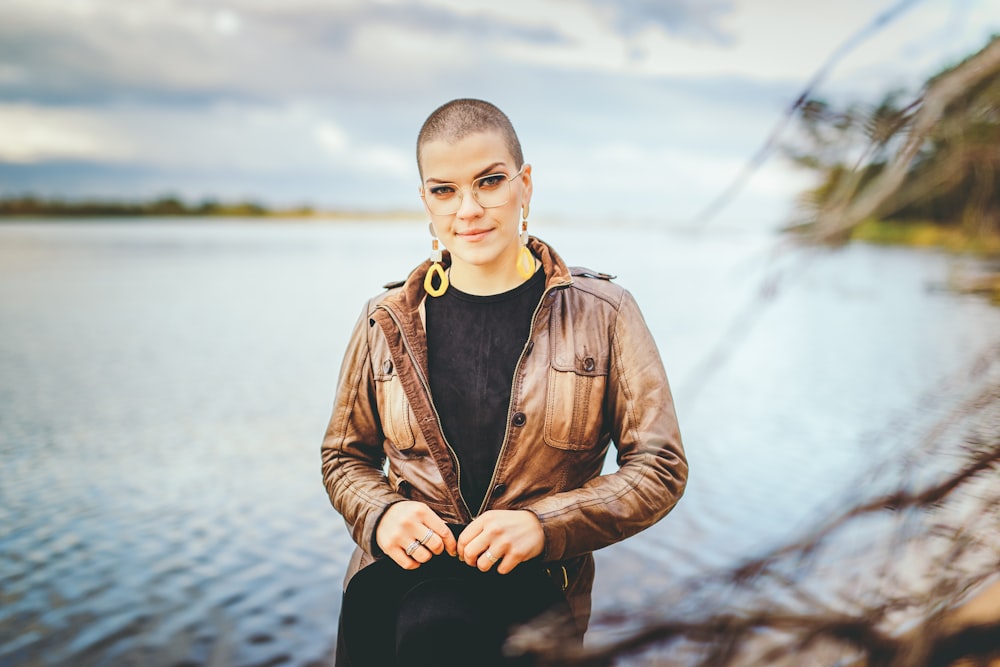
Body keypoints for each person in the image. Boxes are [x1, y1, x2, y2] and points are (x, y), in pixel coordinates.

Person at [321, 98, 687, 666]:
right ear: (425, 201)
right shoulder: (384, 318)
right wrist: (382, 512)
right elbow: (343, 458)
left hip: (532, 613)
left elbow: (659, 468)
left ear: (526, 184)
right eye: (444, 190)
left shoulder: (605, 313)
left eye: (489, 181)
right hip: (388, 612)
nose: (468, 209)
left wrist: (544, 525)